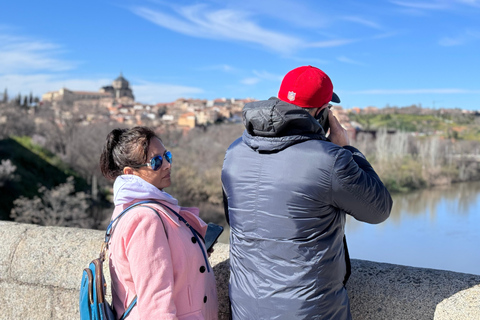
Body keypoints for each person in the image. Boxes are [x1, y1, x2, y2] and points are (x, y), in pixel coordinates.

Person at [221, 66, 393, 319]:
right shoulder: (330, 160)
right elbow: (379, 210)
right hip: (309, 311)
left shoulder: (235, 152)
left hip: (246, 306)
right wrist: (348, 150)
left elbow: (233, 217)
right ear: (321, 113)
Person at [99, 126, 218, 320]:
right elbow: (156, 305)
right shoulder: (144, 219)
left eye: (167, 156)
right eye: (156, 162)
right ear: (130, 173)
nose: (167, 165)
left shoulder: (135, 207)